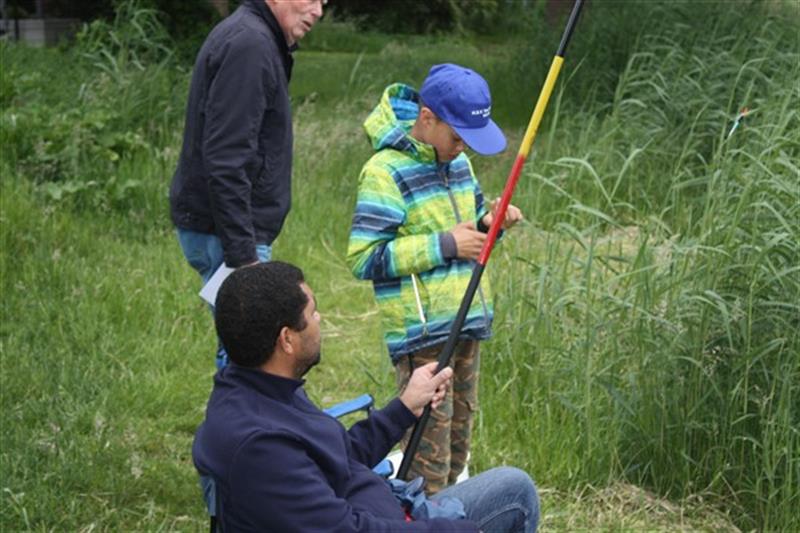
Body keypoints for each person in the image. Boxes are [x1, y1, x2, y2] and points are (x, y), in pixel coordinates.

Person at [193, 261, 539, 532]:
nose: (319, 319)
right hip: (379, 520)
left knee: (513, 487)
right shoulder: (259, 447)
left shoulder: (263, 386)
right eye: (312, 313)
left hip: (390, 508)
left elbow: (336, 457)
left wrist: (405, 407)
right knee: (515, 497)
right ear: (287, 339)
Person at [347, 64, 523, 493]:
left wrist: (490, 225)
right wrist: (444, 244)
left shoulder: (459, 165)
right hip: (423, 338)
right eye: (458, 138)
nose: (463, 150)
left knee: (458, 451)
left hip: (466, 324)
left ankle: (450, 514)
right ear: (427, 118)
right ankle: (416, 516)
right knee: (427, 460)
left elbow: (470, 234)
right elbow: (365, 257)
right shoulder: (385, 172)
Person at [169, 0, 326, 368]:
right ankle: (238, 408)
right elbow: (226, 158)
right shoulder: (250, 45)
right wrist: (244, 260)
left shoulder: (258, 39)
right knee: (252, 355)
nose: (318, 11)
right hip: (229, 234)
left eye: (324, 2)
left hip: (228, 229)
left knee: (244, 349)